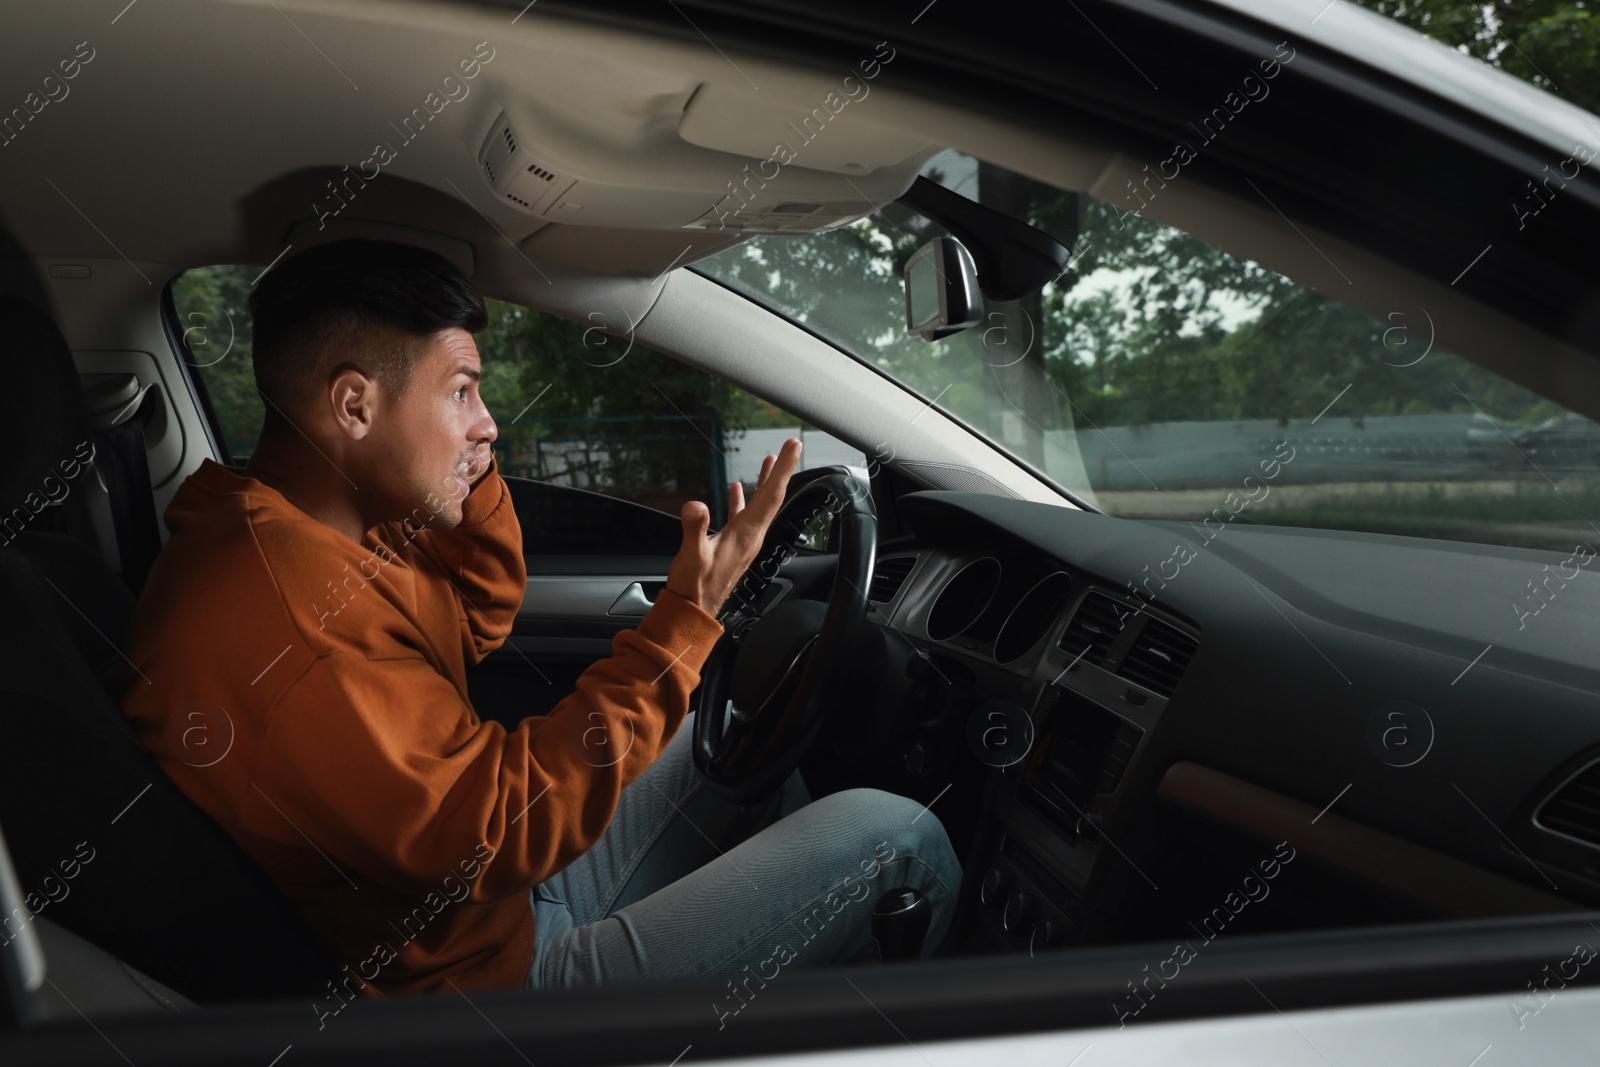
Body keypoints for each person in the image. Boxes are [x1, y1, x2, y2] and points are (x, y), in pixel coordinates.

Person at [122, 239, 962, 1000]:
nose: (488, 420)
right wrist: (688, 618)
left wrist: (464, 461)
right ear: (353, 406)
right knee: (900, 838)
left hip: (491, 912)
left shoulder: (314, 524)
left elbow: (477, 615)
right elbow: (489, 833)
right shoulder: (289, 616)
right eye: (460, 391)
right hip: (480, 988)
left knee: (742, 751)